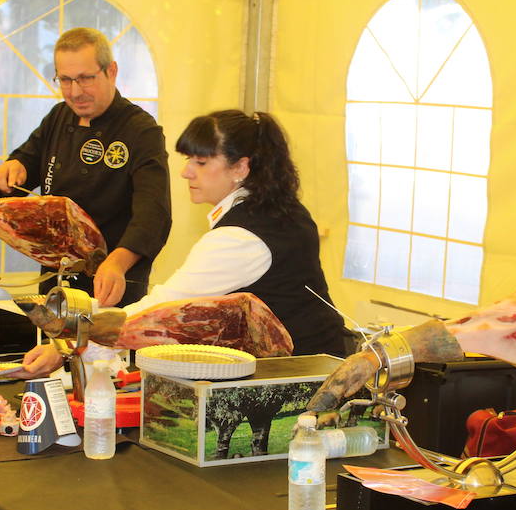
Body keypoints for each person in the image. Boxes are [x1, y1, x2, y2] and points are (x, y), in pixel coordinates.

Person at [20, 109, 345, 376]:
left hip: (300, 372)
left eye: (201, 163)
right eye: (188, 159)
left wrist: (69, 345)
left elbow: (161, 309)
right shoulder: (279, 207)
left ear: (241, 167)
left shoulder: (239, 238)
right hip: (319, 359)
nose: (186, 172)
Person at [0, 27, 170, 307]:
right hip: (55, 279)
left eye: (86, 79)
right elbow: (27, 160)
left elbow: (153, 215)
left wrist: (116, 264)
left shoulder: (141, 130)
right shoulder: (59, 117)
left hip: (112, 284)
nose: (75, 92)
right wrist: (13, 168)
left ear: (111, 71)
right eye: (65, 80)